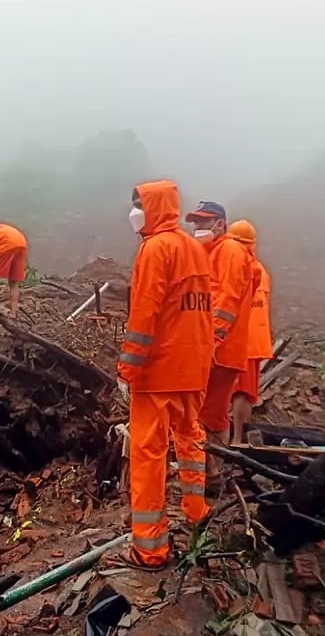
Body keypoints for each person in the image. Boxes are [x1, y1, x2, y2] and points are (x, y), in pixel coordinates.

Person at [115, 180, 214, 570]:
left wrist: (127, 368)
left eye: (139, 204)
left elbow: (144, 314)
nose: (134, 212)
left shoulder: (155, 249)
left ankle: (150, 549)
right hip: (193, 368)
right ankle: (196, 515)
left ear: (153, 207)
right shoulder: (194, 247)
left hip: (158, 373)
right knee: (191, 442)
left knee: (148, 454)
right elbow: (202, 309)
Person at [184, 201, 256, 485]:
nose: (197, 228)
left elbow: (227, 299)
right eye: (195, 222)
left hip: (219, 350)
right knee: (211, 412)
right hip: (214, 348)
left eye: (203, 222)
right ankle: (213, 471)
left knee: (204, 412)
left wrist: (212, 338)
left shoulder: (230, 251)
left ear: (220, 224)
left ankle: (210, 474)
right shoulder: (211, 252)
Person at [227, 219, 272, 445]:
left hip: (239, 339)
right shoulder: (261, 270)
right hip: (253, 340)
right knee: (242, 392)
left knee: (238, 392)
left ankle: (235, 441)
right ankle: (236, 439)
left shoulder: (238, 266)